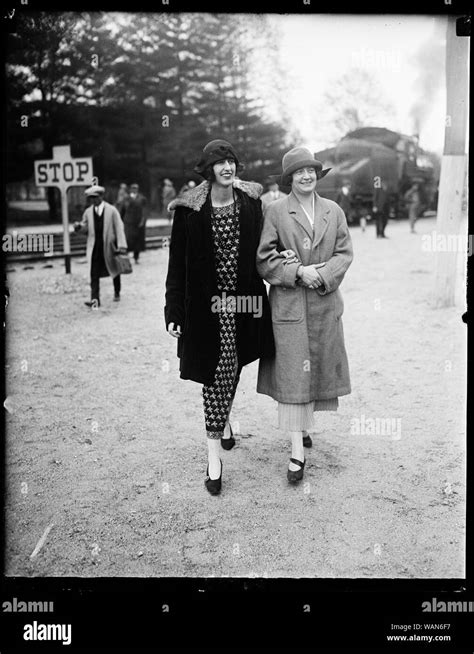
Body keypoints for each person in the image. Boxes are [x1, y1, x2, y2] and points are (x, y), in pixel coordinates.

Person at [164, 139, 274, 496]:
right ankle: (214, 458)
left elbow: (265, 245)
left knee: (233, 366)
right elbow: (176, 265)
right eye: (220, 162)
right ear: (208, 169)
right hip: (206, 310)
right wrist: (173, 310)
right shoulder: (189, 209)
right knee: (216, 372)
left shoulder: (250, 200)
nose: (227, 167)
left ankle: (224, 423)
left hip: (244, 306)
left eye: (231, 161)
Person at [256, 147, 353, 483]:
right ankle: (297, 451)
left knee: (317, 369)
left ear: (317, 174)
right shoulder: (276, 211)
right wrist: (297, 272)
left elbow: (344, 253)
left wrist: (322, 276)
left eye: (311, 170)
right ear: (289, 179)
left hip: (324, 304)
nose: (306, 176)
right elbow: (264, 259)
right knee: (293, 377)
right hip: (290, 307)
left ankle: (304, 425)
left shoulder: (333, 210)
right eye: (299, 172)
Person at [74, 185, 128, 308]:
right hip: (95, 247)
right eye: (91, 198)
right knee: (94, 273)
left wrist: (121, 245)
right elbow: (86, 228)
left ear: (101, 196)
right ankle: (95, 299)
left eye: (95, 197)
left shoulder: (112, 210)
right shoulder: (88, 212)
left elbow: (119, 227)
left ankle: (117, 292)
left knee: (115, 269)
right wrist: (79, 227)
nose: (93, 200)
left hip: (109, 246)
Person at [121, 183, 147, 263]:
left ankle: (136, 257)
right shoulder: (126, 198)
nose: (134, 189)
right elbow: (122, 210)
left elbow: (145, 211)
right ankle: (127, 257)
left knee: (137, 241)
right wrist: (121, 221)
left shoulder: (142, 198)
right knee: (128, 240)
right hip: (129, 223)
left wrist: (143, 220)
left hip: (138, 223)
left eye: (136, 188)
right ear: (130, 189)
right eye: (133, 188)